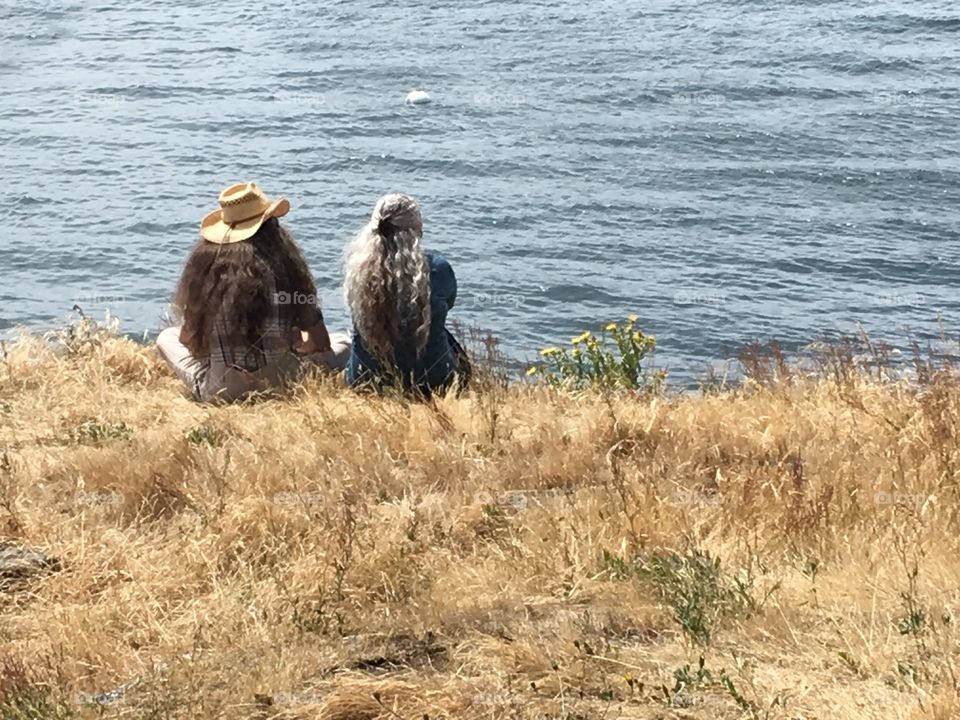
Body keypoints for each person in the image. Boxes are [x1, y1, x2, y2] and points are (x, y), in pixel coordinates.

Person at [157, 182, 350, 403]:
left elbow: (187, 339)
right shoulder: (290, 275)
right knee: (343, 342)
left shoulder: (206, 279)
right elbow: (321, 342)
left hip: (221, 392)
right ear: (272, 230)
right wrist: (296, 343)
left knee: (166, 337)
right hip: (284, 383)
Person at [343, 192, 470, 396]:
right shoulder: (438, 269)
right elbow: (449, 302)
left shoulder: (358, 273)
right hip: (433, 379)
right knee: (442, 333)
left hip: (365, 378)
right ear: (417, 231)